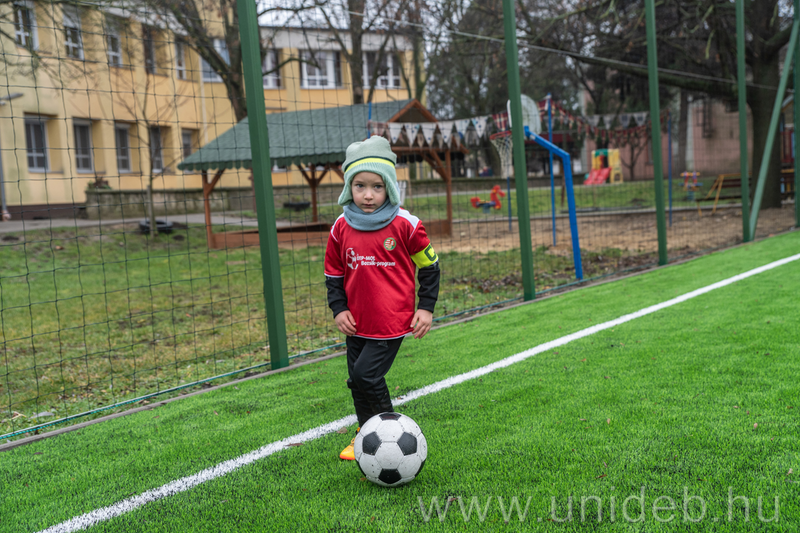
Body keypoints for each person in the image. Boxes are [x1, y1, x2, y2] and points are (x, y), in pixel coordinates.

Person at [324, 136, 440, 461]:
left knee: (367, 376)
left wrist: (426, 308)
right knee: (356, 380)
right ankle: (365, 434)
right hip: (355, 321)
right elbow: (333, 273)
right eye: (359, 186)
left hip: (390, 321)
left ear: (389, 186)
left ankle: (391, 434)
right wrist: (339, 308)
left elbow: (430, 268)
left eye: (377, 187)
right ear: (349, 187)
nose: (368, 195)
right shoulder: (340, 227)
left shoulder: (407, 225)